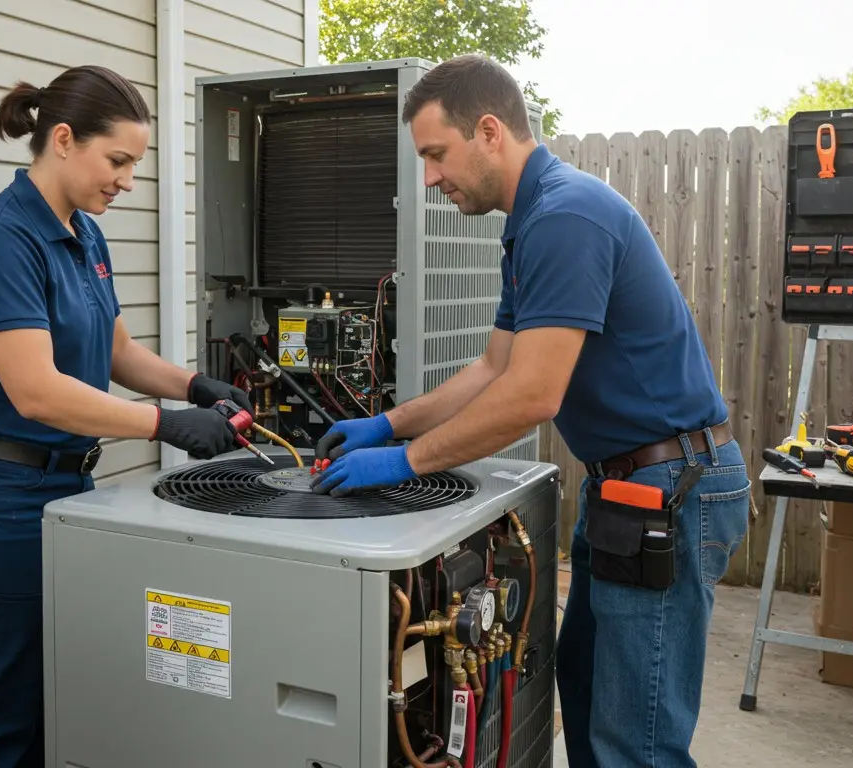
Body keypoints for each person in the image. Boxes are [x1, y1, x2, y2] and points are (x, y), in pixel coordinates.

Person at [310, 55, 749, 767]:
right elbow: (494, 368)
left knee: (634, 742)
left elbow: (532, 396)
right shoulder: (530, 222)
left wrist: (402, 461)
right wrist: (388, 423)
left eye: (435, 154)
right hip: (626, 491)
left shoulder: (567, 216)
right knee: (583, 692)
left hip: (672, 491)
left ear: (488, 131)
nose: (428, 178)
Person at [0, 65, 248, 768]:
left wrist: (197, 386)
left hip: (64, 487)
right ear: (64, 139)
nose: (128, 181)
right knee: (0, 708)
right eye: (119, 160)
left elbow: (116, 350)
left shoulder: (84, 233)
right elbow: (35, 390)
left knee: (58, 694)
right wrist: (163, 426)